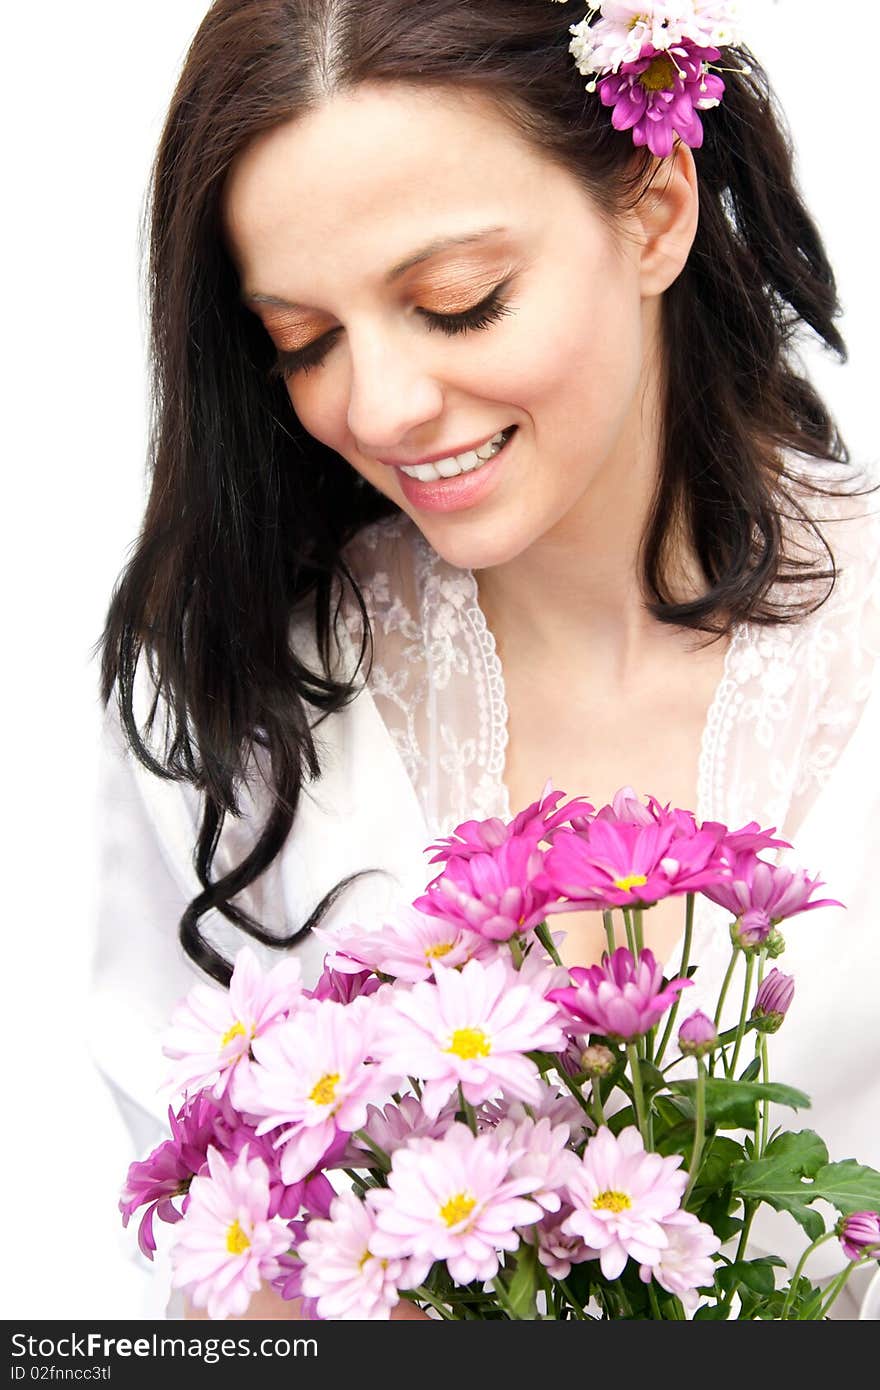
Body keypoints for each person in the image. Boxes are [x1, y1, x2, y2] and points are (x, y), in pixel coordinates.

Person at [92, 0, 879, 1319]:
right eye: (305, 339)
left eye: (457, 303)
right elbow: (191, 1254)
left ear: (653, 207)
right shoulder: (236, 700)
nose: (382, 405)